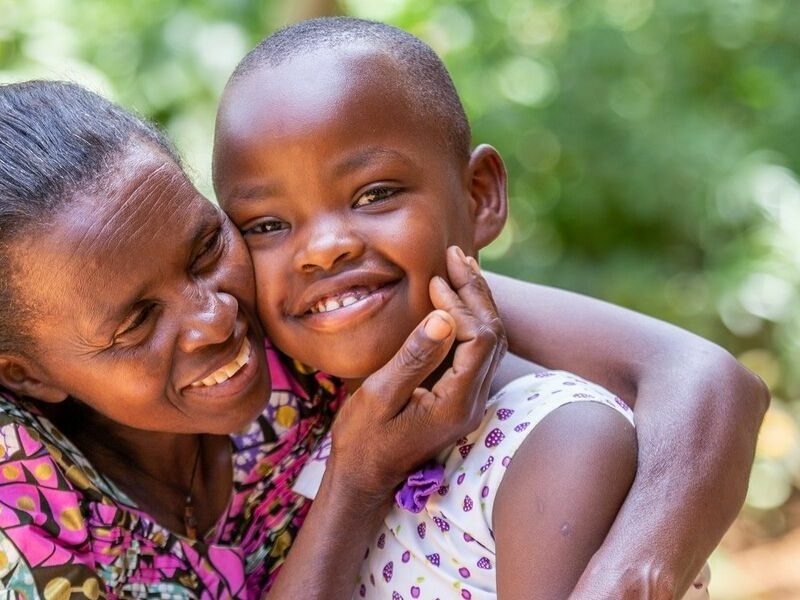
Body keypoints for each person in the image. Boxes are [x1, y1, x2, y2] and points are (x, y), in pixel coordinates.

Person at [211, 17, 766, 598]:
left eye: (375, 194)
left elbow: (708, 377)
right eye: (267, 224)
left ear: (479, 196)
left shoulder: (554, 442)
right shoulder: (305, 419)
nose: (323, 249)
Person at [0, 80, 508, 599]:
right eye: (137, 323)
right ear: (26, 374)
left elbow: (594, 357)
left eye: (205, 249)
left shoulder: (297, 297)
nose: (217, 320)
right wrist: (358, 478)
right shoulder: (20, 513)